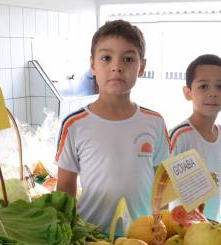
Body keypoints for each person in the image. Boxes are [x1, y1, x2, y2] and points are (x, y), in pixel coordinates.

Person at [55, 20, 171, 232]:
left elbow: (162, 182)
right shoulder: (74, 124)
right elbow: (64, 190)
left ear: (142, 67)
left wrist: (163, 225)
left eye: (127, 59)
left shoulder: (155, 122)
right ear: (93, 65)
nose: (116, 66)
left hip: (143, 239)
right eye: (106, 58)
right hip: (90, 240)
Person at [169, 54, 221, 221]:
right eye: (203, 86)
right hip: (181, 234)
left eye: (220, 86)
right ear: (188, 93)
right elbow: (160, 193)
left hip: (214, 229)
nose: (213, 93)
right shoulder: (179, 136)